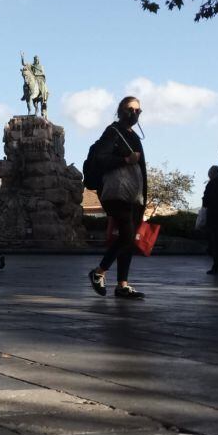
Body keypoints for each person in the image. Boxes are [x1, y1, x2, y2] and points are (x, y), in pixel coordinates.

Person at [85, 96, 147, 299]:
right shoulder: (113, 132)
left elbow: (142, 169)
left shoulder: (135, 137)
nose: (134, 114)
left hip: (133, 194)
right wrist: (125, 159)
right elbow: (101, 158)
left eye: (138, 110)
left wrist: (144, 197)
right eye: (131, 109)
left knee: (127, 239)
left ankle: (122, 285)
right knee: (127, 236)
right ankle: (98, 272)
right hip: (116, 193)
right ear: (120, 110)